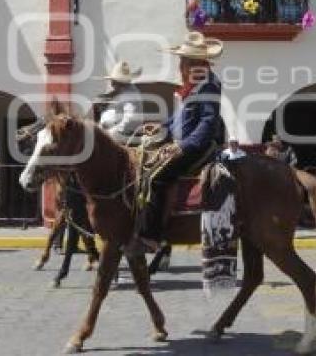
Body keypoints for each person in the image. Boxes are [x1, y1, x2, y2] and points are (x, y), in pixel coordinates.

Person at [138, 31, 223, 251]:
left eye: (183, 61)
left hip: (197, 145)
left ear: (194, 63)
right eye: (181, 61)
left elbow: (207, 123)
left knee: (156, 178)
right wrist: (162, 126)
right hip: (181, 142)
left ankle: (151, 236)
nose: (180, 65)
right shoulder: (192, 85)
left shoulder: (209, 85)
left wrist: (181, 146)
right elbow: (179, 118)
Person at [94, 60, 144, 144]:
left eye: (113, 81)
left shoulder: (129, 94)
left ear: (117, 82)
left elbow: (130, 119)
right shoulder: (126, 91)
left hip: (124, 134)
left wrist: (111, 132)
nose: (111, 83)